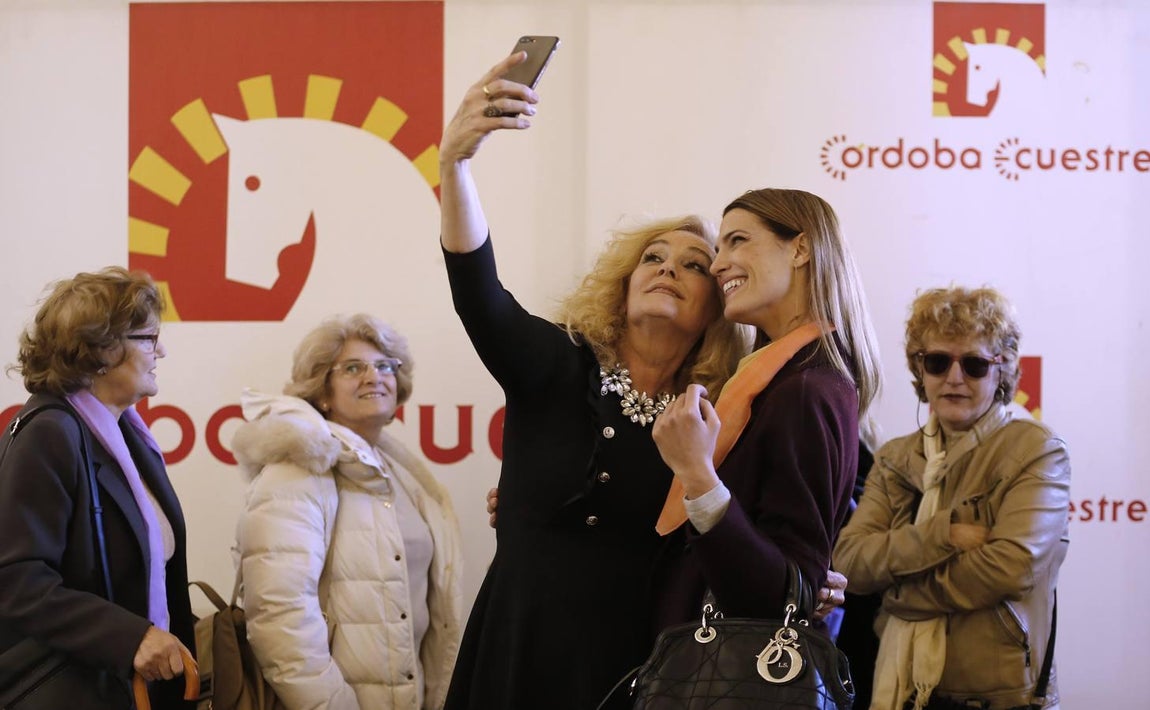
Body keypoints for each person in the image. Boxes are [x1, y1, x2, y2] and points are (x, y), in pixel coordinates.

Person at [438, 53, 750, 710]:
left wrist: (819, 580)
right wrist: (454, 165)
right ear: (625, 283)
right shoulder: (555, 365)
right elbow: (479, 292)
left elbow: (758, 526)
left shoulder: (714, 417)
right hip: (517, 648)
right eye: (653, 258)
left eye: (694, 265)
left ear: (716, 305)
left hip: (636, 664)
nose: (668, 269)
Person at [650, 188, 883, 638]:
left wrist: (699, 478)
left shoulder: (807, 390)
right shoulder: (774, 381)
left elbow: (782, 594)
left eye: (737, 240)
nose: (718, 264)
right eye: (719, 249)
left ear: (800, 248)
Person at [832, 286, 1070, 710]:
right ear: (920, 370)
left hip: (997, 697)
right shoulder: (896, 457)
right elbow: (851, 560)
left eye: (975, 364)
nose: (954, 378)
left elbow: (1009, 567)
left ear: (1002, 374)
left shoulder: (1035, 449)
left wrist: (898, 596)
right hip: (900, 692)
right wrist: (945, 534)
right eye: (938, 362)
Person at [232, 314, 464, 709]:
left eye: (385, 366)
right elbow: (280, 617)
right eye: (353, 368)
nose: (374, 377)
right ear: (322, 390)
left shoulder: (401, 474)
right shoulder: (299, 468)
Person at [0, 266, 195, 708]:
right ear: (100, 350)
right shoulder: (50, 433)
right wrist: (129, 637)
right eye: (148, 337)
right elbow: (16, 580)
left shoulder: (122, 431)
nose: (160, 350)